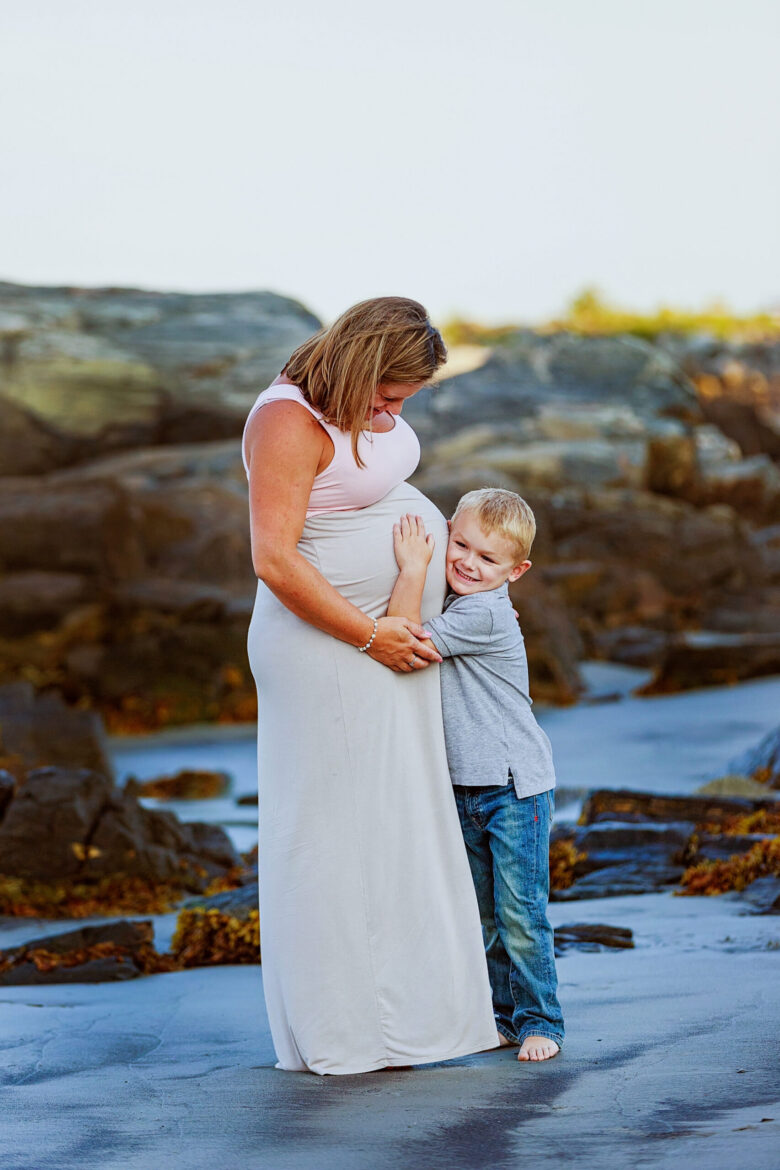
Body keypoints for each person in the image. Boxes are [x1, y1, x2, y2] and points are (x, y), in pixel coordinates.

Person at [242, 296, 500, 1075]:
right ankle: (349, 1032)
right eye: (388, 396)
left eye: (406, 401)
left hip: (385, 641)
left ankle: (408, 1017)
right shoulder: (286, 422)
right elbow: (275, 560)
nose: (394, 411)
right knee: (331, 836)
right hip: (331, 649)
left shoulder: (360, 405)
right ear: (359, 367)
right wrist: (371, 632)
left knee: (394, 821)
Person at [387, 488, 566, 1062]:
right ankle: (503, 1018)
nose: (467, 562)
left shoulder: (485, 613)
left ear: (517, 571)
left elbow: (403, 638)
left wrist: (414, 566)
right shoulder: (471, 602)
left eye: (488, 560)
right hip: (466, 785)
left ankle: (543, 1022)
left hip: (514, 786)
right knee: (483, 916)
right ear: (447, 530)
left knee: (520, 913)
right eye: (459, 545)